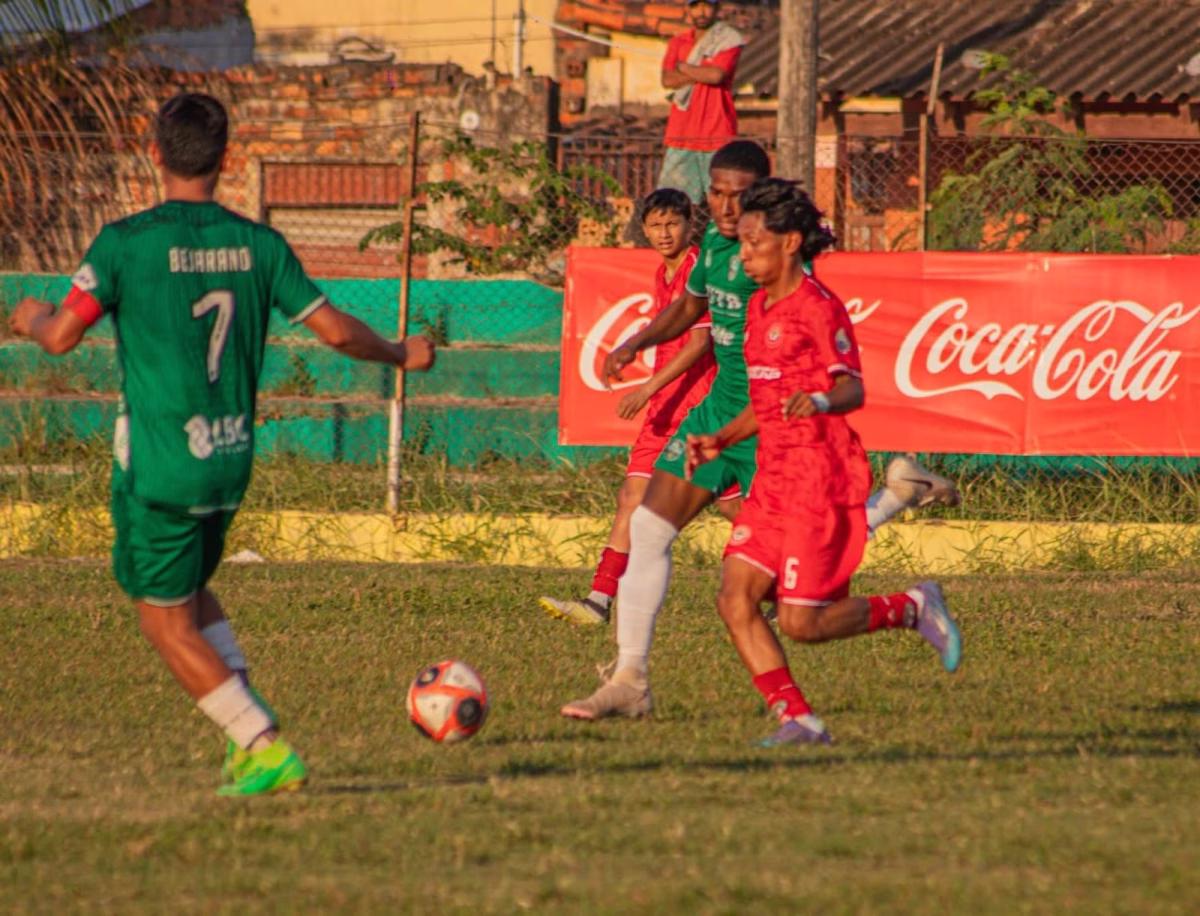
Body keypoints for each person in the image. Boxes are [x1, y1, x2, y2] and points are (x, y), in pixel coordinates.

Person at [9, 92, 436, 796]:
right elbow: (334, 331)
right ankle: (247, 739)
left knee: (164, 621)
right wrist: (399, 352)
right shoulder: (261, 245)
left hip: (162, 465)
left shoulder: (124, 243)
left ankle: (261, 743)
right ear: (226, 156)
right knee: (194, 594)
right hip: (231, 459)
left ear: (154, 154)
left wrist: (31, 316)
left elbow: (60, 337)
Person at [560, 140, 959, 721]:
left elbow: (830, 368)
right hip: (720, 414)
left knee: (789, 598)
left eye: (737, 195)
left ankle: (895, 506)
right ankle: (630, 679)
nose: (724, 206)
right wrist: (637, 341)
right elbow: (695, 310)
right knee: (648, 525)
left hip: (780, 436)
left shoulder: (776, 265)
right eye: (716, 192)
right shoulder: (718, 250)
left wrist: (815, 399)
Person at [686, 178, 962, 746]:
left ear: (789, 243)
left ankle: (911, 607)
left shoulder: (819, 309)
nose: (743, 254)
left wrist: (818, 400)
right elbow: (769, 403)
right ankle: (798, 720)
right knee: (734, 598)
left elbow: (852, 391)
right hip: (773, 479)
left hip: (820, 475)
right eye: (739, 244)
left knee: (801, 623)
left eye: (753, 243)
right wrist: (719, 438)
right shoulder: (759, 307)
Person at [539, 187, 739, 626]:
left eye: (673, 223)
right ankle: (598, 601)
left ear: (690, 222)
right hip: (665, 407)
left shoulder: (696, 267)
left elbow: (699, 341)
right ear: (644, 229)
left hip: (698, 405)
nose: (665, 233)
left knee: (735, 508)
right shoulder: (661, 271)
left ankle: (790, 592)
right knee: (631, 497)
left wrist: (647, 388)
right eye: (655, 225)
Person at [658, 0, 745, 205]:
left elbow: (716, 76)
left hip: (716, 132)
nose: (701, 11)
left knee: (723, 203)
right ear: (688, 9)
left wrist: (684, 67)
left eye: (707, 5)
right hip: (681, 134)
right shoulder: (678, 42)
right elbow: (667, 80)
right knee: (671, 204)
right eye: (696, 6)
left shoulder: (728, 40)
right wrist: (701, 71)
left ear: (717, 8)